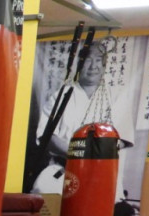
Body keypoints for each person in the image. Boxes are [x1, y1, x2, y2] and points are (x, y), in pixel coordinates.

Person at [32, 41, 134, 197]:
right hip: (63, 169)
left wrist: (94, 156)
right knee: (44, 194)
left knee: (102, 206)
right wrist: (78, 154)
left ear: (104, 64)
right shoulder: (61, 95)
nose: (93, 66)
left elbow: (122, 139)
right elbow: (47, 135)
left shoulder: (117, 96)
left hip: (101, 171)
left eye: (98, 60)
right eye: (88, 60)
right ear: (79, 63)